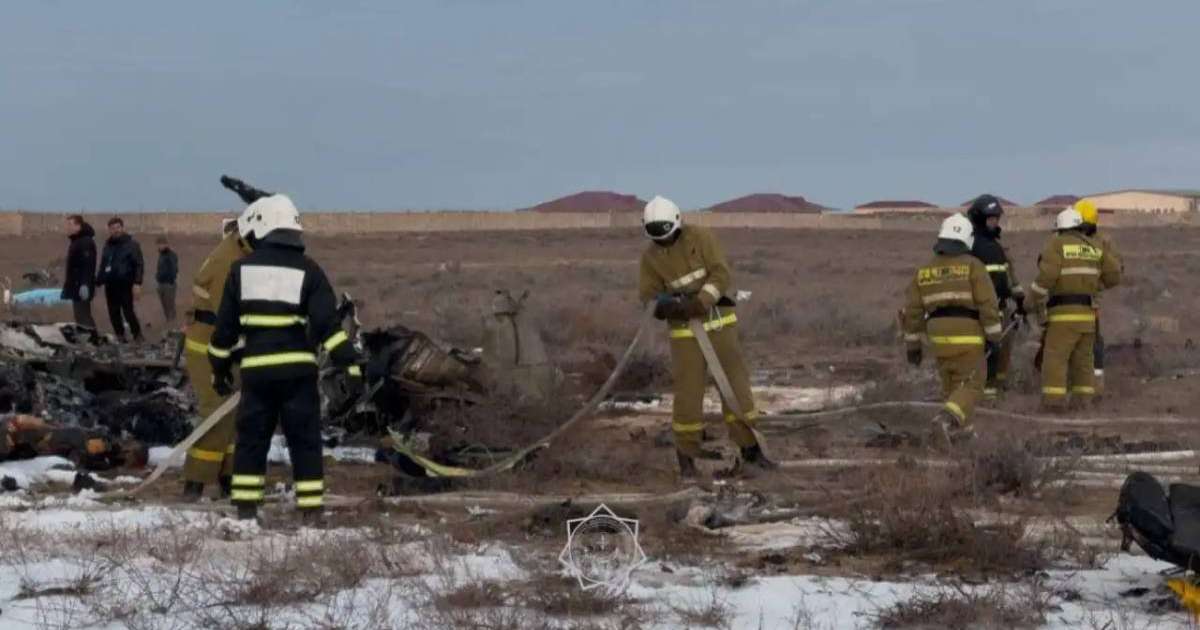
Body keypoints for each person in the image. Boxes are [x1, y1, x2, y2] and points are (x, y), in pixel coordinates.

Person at [209, 193, 362, 522]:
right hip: (298, 375)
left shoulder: (241, 270)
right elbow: (328, 327)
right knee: (305, 442)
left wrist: (218, 368)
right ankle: (311, 512)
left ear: (260, 226)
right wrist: (350, 364)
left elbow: (223, 333)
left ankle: (247, 512)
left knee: (251, 441)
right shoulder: (310, 270)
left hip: (257, 375)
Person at [637, 195, 772, 480]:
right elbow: (648, 296)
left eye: (668, 235)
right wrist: (665, 306)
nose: (664, 242)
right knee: (688, 395)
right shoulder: (650, 258)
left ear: (677, 223)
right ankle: (686, 458)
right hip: (685, 334)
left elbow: (720, 273)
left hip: (719, 324)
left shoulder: (701, 238)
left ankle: (751, 451)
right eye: (658, 238)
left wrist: (701, 301)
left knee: (736, 389)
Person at [902, 213, 1003, 448]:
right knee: (972, 385)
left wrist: (913, 347)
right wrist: (994, 338)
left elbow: (913, 312)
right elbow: (988, 304)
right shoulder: (973, 266)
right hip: (967, 334)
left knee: (951, 386)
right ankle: (946, 419)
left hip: (938, 337)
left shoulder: (924, 270)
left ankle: (960, 436)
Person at [179, 216, 253, 501]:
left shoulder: (237, 254)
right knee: (218, 413)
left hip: (224, 344)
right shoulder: (229, 263)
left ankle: (230, 479)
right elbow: (233, 311)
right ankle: (195, 483)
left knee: (235, 414)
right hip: (210, 346)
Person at [1028, 207, 1121, 411]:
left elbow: (1046, 278)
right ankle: (1083, 404)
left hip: (1063, 315)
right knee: (1084, 361)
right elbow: (1114, 275)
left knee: (1055, 359)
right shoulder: (1094, 246)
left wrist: (1030, 301)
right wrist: (1094, 285)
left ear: (1060, 228)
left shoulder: (1056, 244)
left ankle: (1053, 404)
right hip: (1088, 317)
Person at [964, 195, 1026, 399]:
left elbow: (1009, 277)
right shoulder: (970, 246)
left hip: (1000, 308)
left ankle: (995, 392)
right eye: (991, 219)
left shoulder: (997, 247)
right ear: (979, 218)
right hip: (978, 311)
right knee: (983, 355)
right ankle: (981, 396)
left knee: (1000, 353)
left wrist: (1019, 303)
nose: (995, 222)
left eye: (997, 219)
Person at [1075, 198, 1123, 397]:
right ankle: (1092, 384)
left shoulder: (1062, 241)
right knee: (1091, 342)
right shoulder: (1101, 243)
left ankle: (1089, 384)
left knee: (1085, 343)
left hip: (1074, 303)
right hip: (1087, 302)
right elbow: (1116, 271)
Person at [95, 217, 145, 342]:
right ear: (109, 230)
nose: (115, 230)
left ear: (122, 228)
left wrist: (137, 283)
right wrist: (97, 281)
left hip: (126, 284)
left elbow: (139, 264)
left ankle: (137, 334)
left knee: (128, 312)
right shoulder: (108, 246)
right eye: (112, 228)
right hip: (110, 285)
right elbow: (103, 265)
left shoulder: (132, 245)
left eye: (118, 227)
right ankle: (120, 336)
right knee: (113, 313)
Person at [61, 215, 97, 329]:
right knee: (79, 315)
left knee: (83, 315)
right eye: (67, 225)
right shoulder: (77, 241)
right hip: (76, 284)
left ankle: (93, 340)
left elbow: (88, 265)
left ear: (78, 226)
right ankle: (87, 338)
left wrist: (85, 284)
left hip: (81, 285)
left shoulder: (85, 242)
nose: (68, 227)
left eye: (70, 225)